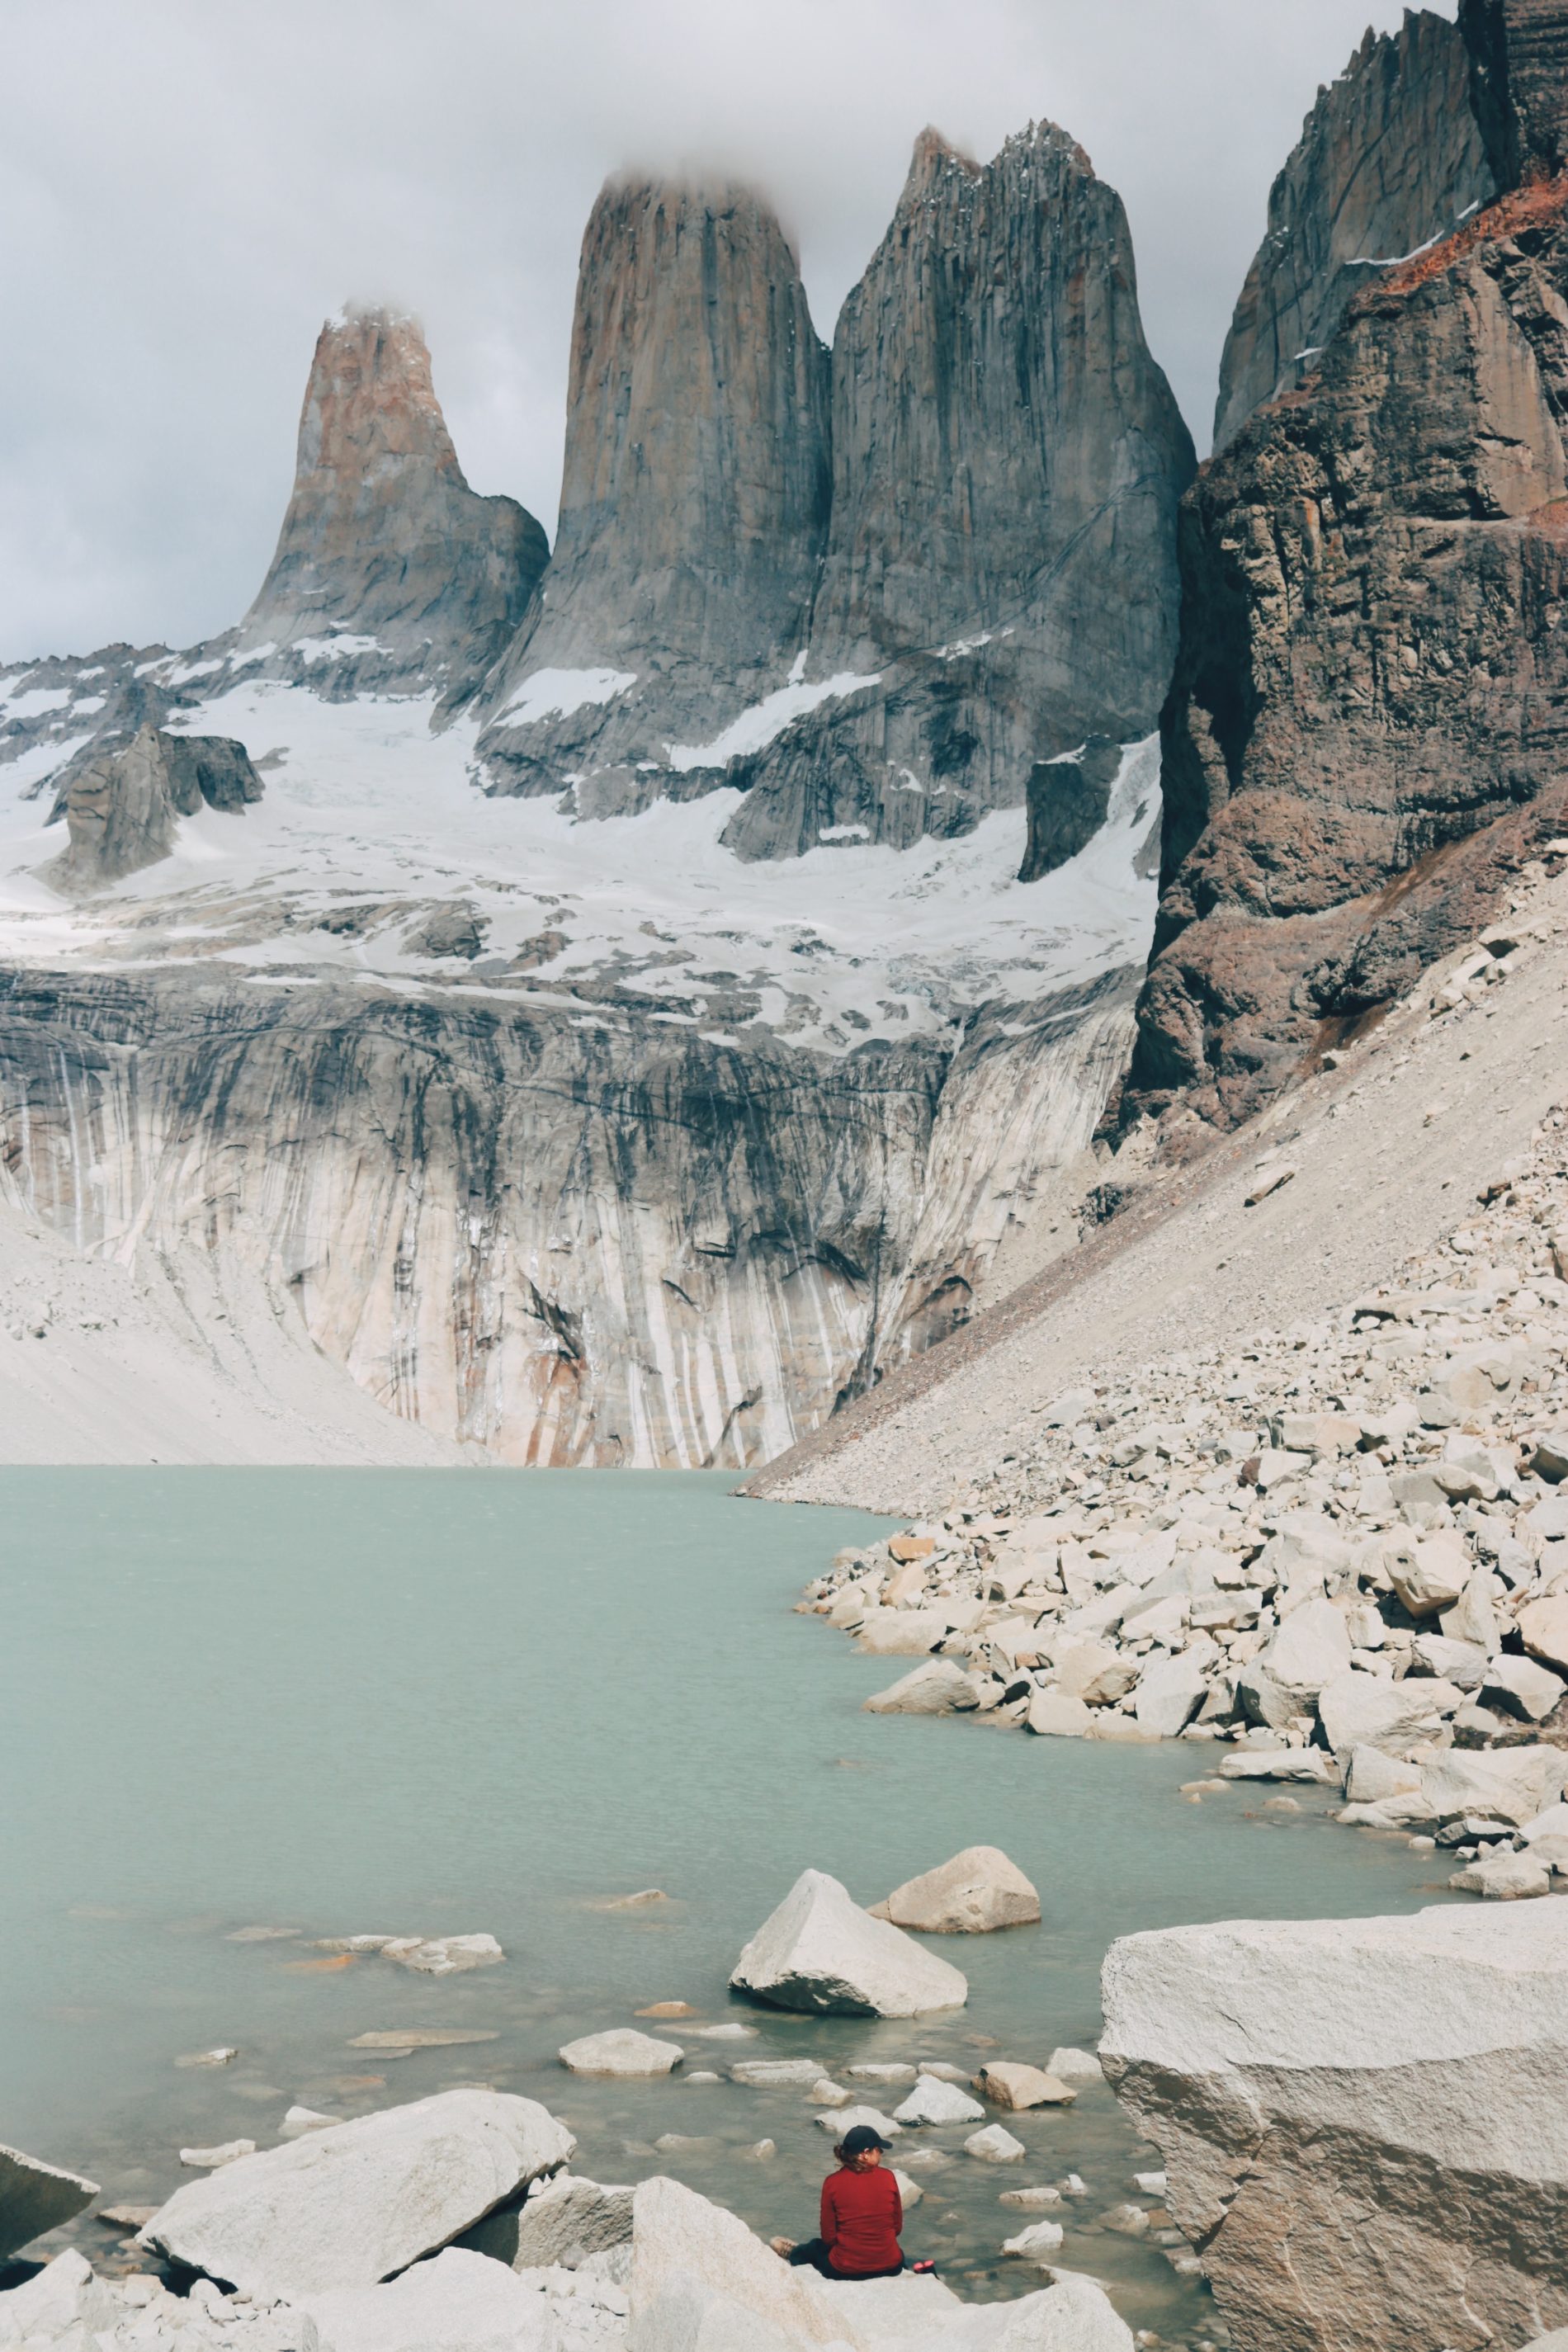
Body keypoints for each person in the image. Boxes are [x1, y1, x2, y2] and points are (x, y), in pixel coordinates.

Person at [772, 2124, 935, 2279]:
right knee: (894, 2251)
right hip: (891, 2267)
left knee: (816, 2247)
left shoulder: (832, 2183)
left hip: (845, 2269)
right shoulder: (888, 2177)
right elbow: (896, 2228)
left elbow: (829, 2238)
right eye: (879, 2149)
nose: (881, 2153)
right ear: (865, 2153)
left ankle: (793, 2254)